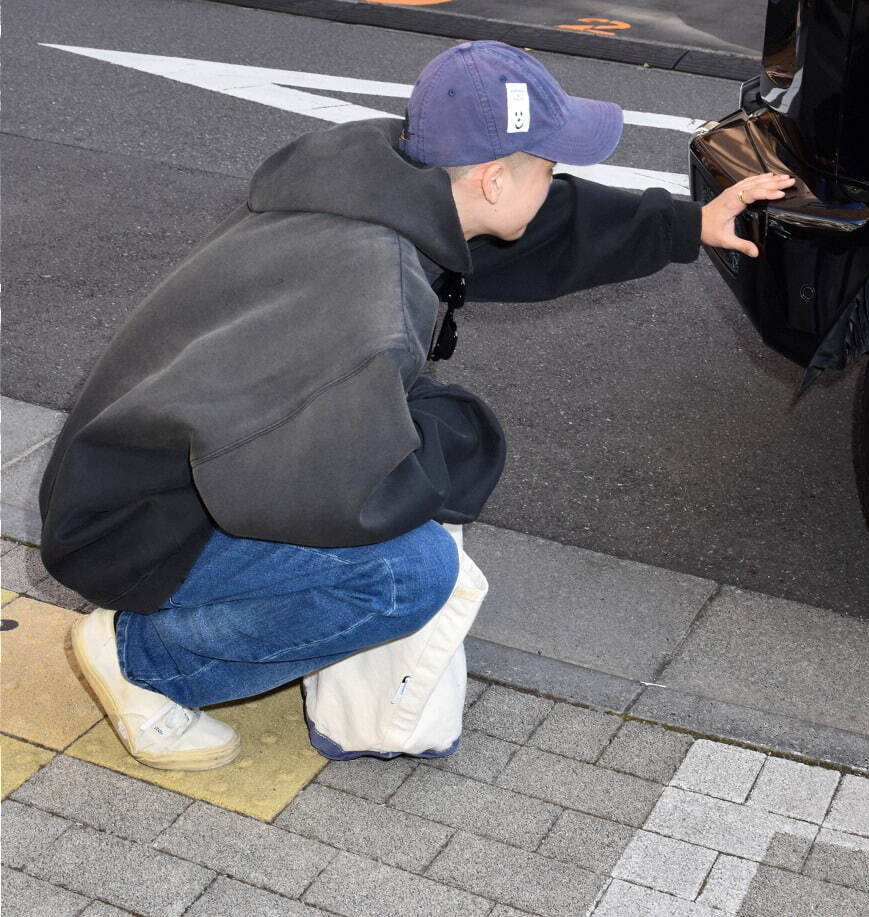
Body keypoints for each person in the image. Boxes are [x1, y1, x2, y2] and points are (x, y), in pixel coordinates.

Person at [40, 41, 793, 771]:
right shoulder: (370, 299)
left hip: (145, 470)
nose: (556, 175)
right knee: (408, 574)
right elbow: (333, 498)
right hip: (136, 527)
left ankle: (212, 619)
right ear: (494, 180)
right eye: (548, 162)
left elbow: (541, 229)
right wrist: (456, 443)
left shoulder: (378, 185)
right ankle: (144, 660)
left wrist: (687, 224)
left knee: (414, 474)